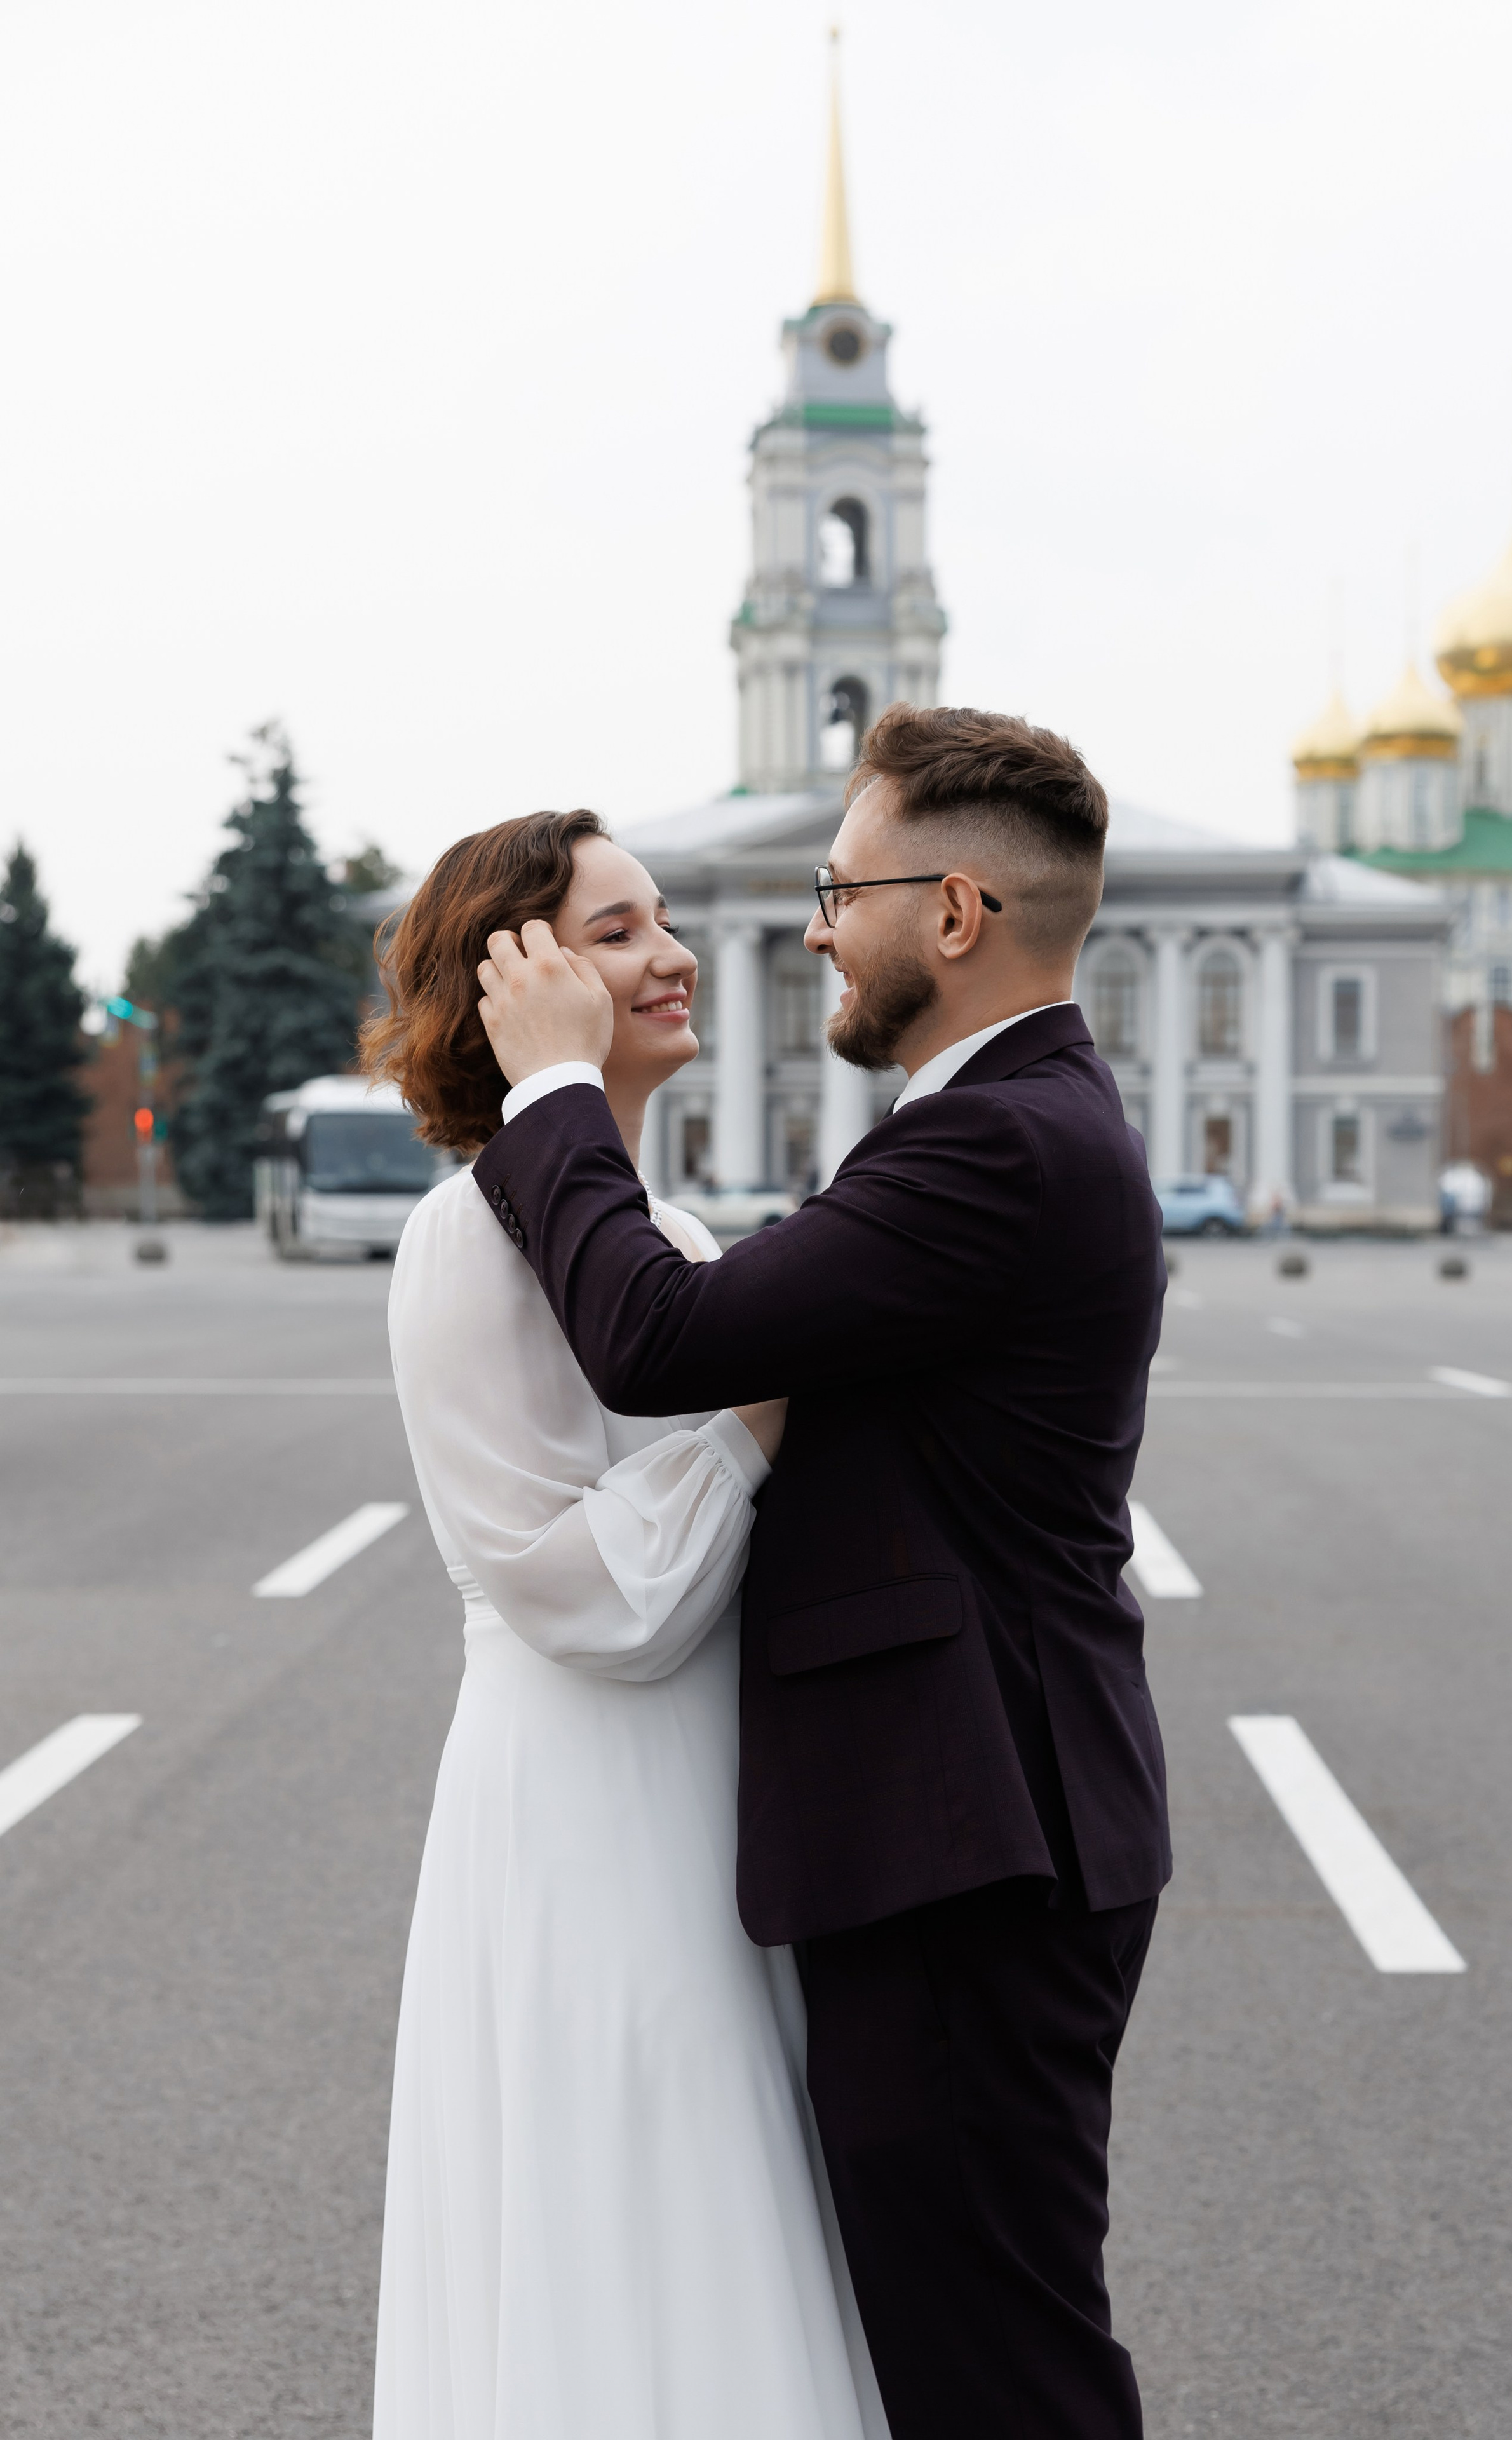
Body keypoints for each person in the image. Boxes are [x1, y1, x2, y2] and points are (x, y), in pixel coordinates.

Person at [471, 705, 1172, 2440]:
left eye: (837, 888)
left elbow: (659, 1334)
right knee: (971, 2338)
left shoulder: (995, 1144)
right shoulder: (1016, 1123)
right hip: (975, 1825)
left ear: (948, 915)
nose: (807, 928)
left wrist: (553, 1088)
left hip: (969, 1840)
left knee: (995, 2367)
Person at [362, 811, 888, 2440]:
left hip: (697, 1797)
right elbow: (590, 1598)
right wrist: (769, 1397)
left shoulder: (657, 1241)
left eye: (661, 918)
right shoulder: (472, 1238)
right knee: (625, 2184)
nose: (669, 955)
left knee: (715, 2196)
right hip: (583, 1805)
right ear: (509, 985)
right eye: (613, 930)